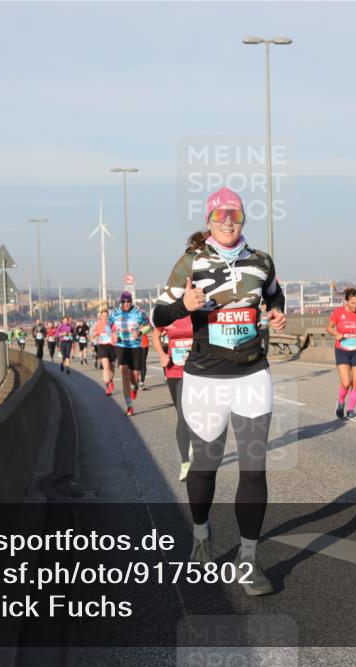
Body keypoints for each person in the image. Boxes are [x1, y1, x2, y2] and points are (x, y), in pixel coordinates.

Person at [152, 186, 286, 597]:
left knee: (253, 467)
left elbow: (274, 296)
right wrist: (184, 307)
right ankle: (201, 533)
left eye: (236, 215)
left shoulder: (261, 261)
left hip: (251, 375)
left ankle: (248, 558)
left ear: (243, 219)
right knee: (205, 468)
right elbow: (158, 313)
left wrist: (279, 313)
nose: (228, 221)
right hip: (204, 379)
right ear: (209, 219)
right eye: (220, 215)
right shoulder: (191, 262)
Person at [152, 317, 194, 481]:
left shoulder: (197, 310)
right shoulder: (169, 312)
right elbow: (156, 335)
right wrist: (162, 354)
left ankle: (191, 448)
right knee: (182, 415)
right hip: (174, 371)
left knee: (195, 413)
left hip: (197, 369)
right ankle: (185, 462)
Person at [327, 288, 356, 419]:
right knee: (346, 383)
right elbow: (329, 328)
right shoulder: (338, 312)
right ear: (346, 301)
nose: (355, 306)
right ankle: (340, 402)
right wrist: (336, 334)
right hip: (342, 350)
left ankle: (351, 410)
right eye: (352, 303)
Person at [107, 292, 151, 416]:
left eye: (128, 301)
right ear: (120, 302)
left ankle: (135, 386)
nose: (126, 304)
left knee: (134, 377)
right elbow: (107, 326)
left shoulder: (139, 313)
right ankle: (129, 406)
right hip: (121, 346)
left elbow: (148, 326)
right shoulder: (115, 313)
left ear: (131, 301)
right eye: (123, 301)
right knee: (124, 373)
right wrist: (113, 333)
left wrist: (140, 332)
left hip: (135, 347)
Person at [92, 309, 116, 395]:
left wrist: (114, 334)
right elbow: (93, 334)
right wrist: (99, 332)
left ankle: (111, 380)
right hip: (102, 346)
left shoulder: (112, 323)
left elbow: (116, 332)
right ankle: (107, 387)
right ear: (101, 316)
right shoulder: (97, 324)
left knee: (111, 367)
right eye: (103, 316)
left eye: (106, 316)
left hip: (112, 346)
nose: (105, 317)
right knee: (106, 366)